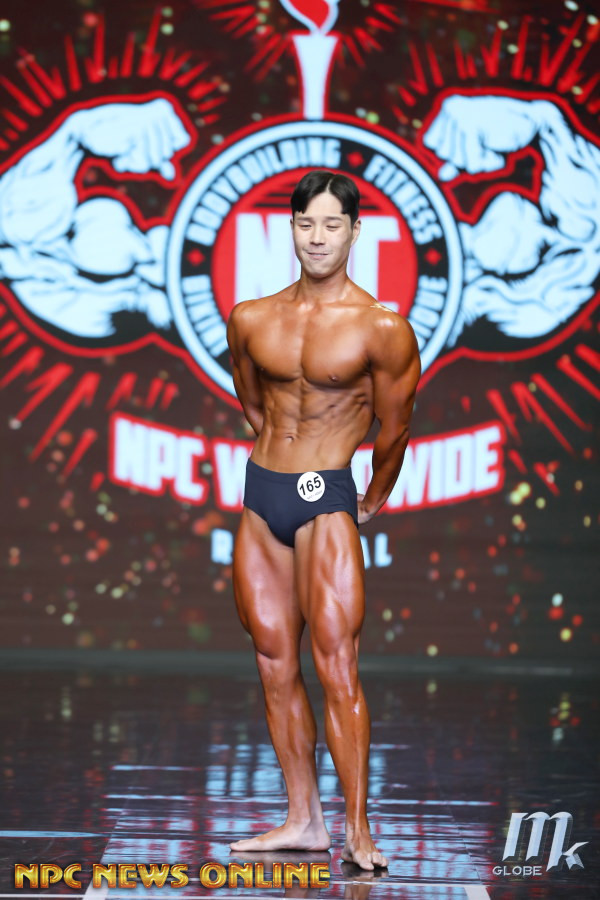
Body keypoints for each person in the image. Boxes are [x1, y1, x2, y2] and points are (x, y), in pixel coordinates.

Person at [225, 170, 421, 871]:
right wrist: (279, 455)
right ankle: (303, 821)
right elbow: (252, 400)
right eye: (307, 223)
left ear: (354, 231)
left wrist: (368, 499)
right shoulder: (251, 317)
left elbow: (395, 429)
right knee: (273, 662)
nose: (318, 237)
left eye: (332, 224)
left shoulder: (382, 329)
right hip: (262, 496)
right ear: (292, 227)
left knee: (337, 666)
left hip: (325, 496)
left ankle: (358, 830)